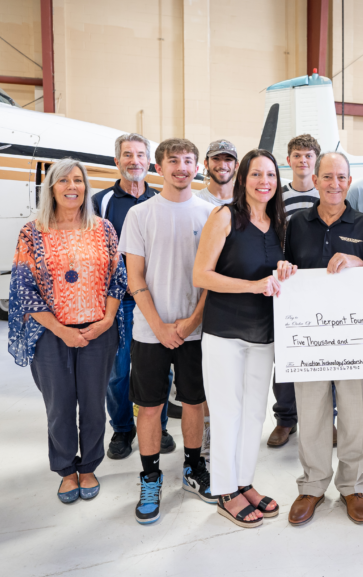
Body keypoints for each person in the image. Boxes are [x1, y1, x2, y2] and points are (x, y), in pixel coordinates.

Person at [275, 152, 363, 526]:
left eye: (341, 177)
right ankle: (313, 485)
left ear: (349, 182)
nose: (334, 183)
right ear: (316, 180)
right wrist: (284, 268)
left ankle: (352, 485)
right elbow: (282, 271)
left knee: (356, 416)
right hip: (309, 339)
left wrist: (359, 264)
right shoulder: (294, 225)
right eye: (327, 177)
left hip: (353, 339)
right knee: (312, 412)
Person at [8, 158, 125, 504]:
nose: (71, 186)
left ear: (86, 187)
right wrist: (61, 330)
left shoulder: (103, 228)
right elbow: (23, 289)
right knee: (59, 405)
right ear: (51, 188)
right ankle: (65, 470)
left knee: (92, 404)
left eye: (78, 180)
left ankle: (88, 466)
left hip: (98, 332)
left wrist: (105, 321)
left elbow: (118, 279)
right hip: (50, 335)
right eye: (63, 181)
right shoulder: (32, 232)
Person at [119, 138, 216, 525]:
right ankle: (150, 476)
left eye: (188, 160)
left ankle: (193, 469)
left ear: (197, 167)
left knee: (194, 402)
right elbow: (134, 276)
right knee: (150, 406)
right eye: (173, 160)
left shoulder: (211, 214)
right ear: (159, 167)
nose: (181, 167)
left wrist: (192, 321)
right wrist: (159, 326)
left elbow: (212, 280)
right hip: (149, 332)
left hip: (195, 330)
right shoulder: (140, 216)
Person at [194, 149, 291, 529]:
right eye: (256, 175)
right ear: (242, 179)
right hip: (225, 332)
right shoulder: (224, 216)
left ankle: (243, 481)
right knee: (227, 412)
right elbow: (201, 275)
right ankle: (223, 491)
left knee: (254, 412)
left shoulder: (279, 223)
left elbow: (281, 276)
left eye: (270, 175)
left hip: (263, 333)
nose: (263, 182)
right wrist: (252, 286)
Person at [91, 134, 175, 461]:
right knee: (118, 371)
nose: (134, 161)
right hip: (119, 301)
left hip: (155, 301)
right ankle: (123, 428)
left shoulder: (160, 200)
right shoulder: (101, 203)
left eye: (140, 154)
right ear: (117, 161)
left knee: (159, 369)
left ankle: (160, 425)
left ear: (149, 162)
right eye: (127, 155)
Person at [268, 133, 321, 448]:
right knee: (285, 354)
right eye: (297, 155)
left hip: (319, 286)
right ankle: (285, 418)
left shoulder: (328, 193)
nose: (303, 161)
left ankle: (325, 419)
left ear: (316, 160)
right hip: (287, 286)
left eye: (309, 156)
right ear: (288, 160)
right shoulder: (277, 195)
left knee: (324, 352)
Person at [196, 139, 237, 207]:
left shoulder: (246, 200)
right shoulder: (197, 201)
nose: (222, 165)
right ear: (206, 164)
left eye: (228, 159)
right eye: (216, 159)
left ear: (236, 166)